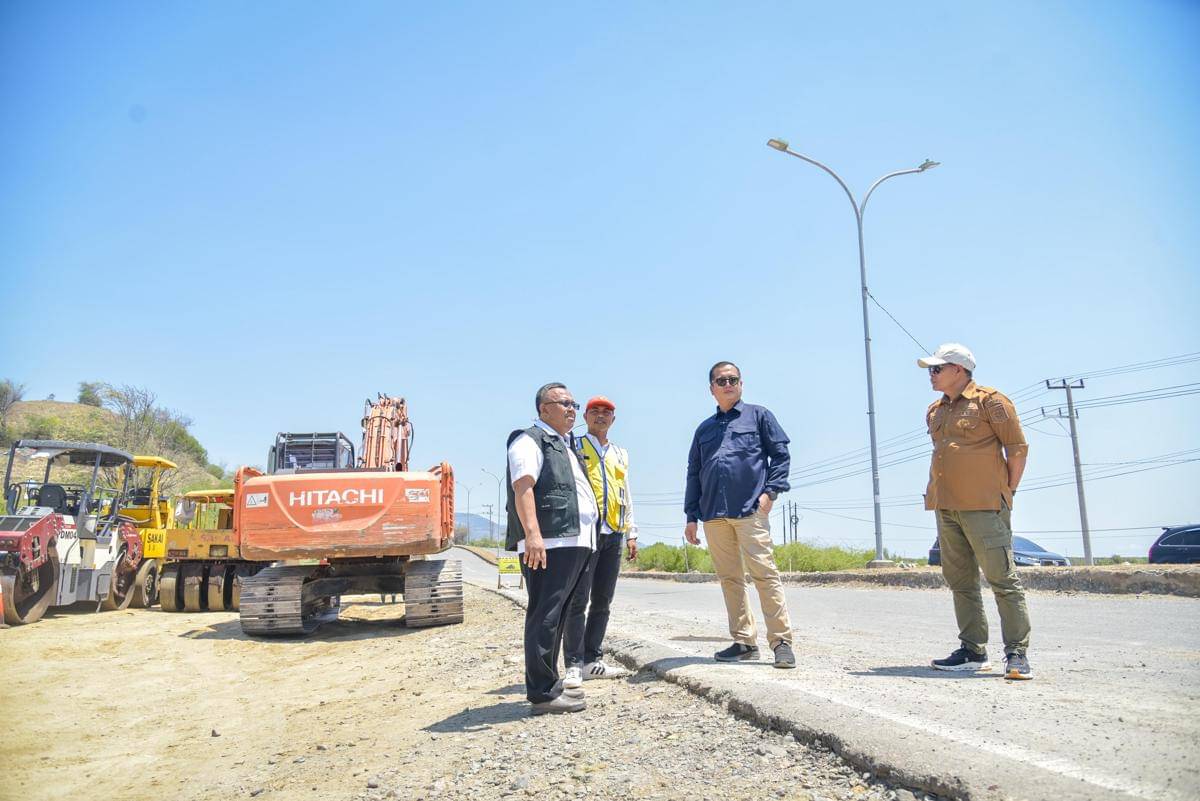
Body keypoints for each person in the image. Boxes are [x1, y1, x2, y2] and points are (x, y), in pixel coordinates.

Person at [919, 343, 1033, 680]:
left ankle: (1017, 653)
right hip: (946, 505)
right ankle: (972, 650)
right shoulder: (934, 410)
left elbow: (1017, 450)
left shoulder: (992, 402)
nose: (932, 374)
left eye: (937, 369)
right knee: (960, 582)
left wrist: (1006, 492)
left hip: (984, 505)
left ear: (959, 369)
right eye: (930, 369)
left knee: (1002, 579)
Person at [684, 361, 796, 669]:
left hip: (750, 510)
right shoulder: (704, 429)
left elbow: (781, 454)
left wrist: (771, 492)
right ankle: (745, 642)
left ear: (741, 384)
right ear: (712, 388)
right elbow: (694, 472)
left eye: (733, 379)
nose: (728, 383)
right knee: (730, 579)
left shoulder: (758, 416)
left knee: (765, 574)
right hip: (713, 515)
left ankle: (781, 642)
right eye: (721, 380)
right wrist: (691, 515)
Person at [506, 382, 599, 714]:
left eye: (574, 403)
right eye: (564, 403)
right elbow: (523, 487)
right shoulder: (529, 440)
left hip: (575, 541)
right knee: (545, 615)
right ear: (544, 409)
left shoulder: (564, 445)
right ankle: (542, 694)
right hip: (551, 542)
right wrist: (533, 535)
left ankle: (552, 684)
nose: (572, 409)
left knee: (558, 615)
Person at [562, 396, 638, 688]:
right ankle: (572, 663)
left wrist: (632, 532)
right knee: (578, 599)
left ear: (613, 420)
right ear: (586, 416)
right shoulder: (574, 445)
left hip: (614, 532)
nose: (601, 416)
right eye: (595, 411)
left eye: (607, 413)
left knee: (603, 600)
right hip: (585, 533)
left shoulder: (620, 453)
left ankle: (592, 658)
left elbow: (626, 493)